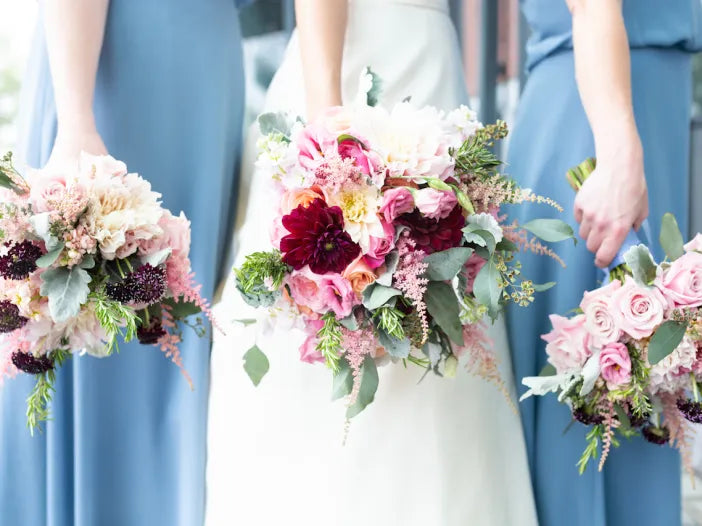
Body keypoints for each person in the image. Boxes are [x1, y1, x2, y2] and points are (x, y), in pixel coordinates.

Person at [205, 1, 537, 525]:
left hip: (428, 73)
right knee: (319, 306)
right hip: (347, 75)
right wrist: (327, 133)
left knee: (439, 307)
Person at [0, 1, 245, 525]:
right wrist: (75, 121)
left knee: (173, 317)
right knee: (102, 309)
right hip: (114, 61)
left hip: (201, 74)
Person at [507, 1, 702, 525]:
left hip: (638, 102)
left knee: (638, 380)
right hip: (599, 110)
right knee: (595, 384)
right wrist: (618, 153)